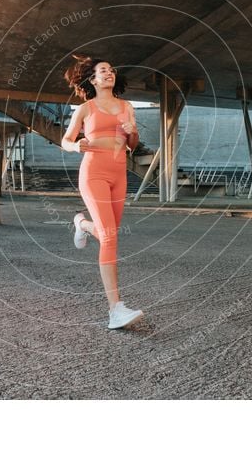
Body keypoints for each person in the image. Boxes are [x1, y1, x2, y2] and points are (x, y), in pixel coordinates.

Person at [62, 53, 145, 329]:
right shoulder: (86, 109)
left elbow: (133, 145)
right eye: (102, 70)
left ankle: (82, 224)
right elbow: (66, 139)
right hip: (94, 173)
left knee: (109, 234)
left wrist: (133, 132)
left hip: (118, 175)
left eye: (111, 69)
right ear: (93, 79)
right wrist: (76, 146)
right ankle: (115, 310)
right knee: (109, 237)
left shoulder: (126, 106)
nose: (109, 73)